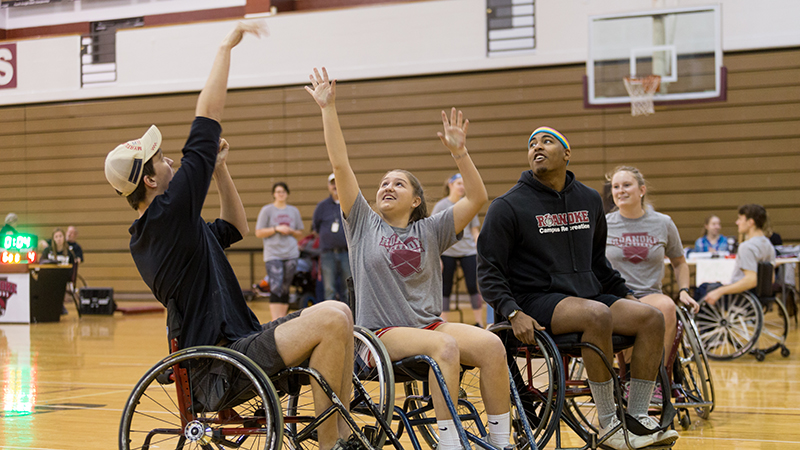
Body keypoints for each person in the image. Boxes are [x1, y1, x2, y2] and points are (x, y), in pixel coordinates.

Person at [103, 24, 355, 450]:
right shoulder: (163, 220)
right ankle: (333, 445)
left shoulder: (170, 228)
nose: (170, 163)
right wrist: (224, 47)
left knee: (337, 310)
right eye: (162, 160)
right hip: (220, 367)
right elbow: (205, 121)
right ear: (149, 179)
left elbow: (234, 227)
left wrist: (220, 169)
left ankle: (343, 435)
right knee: (331, 319)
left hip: (238, 348)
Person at [307, 67, 512, 450]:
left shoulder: (431, 229)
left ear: (416, 200)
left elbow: (477, 198)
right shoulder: (363, 222)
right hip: (378, 335)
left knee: (491, 346)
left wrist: (460, 153)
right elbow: (340, 165)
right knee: (445, 348)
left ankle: (502, 441)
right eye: (384, 182)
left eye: (397, 183)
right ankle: (449, 443)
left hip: (428, 326)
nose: (387, 186)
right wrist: (328, 109)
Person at [477, 127, 678, 449]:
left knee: (651, 317)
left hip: (588, 294)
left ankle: (637, 416)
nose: (537, 147)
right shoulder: (508, 206)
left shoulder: (589, 199)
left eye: (547, 141)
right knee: (596, 315)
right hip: (536, 299)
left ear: (567, 154)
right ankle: (609, 423)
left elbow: (598, 261)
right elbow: (488, 271)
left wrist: (624, 294)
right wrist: (512, 311)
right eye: (531, 144)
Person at [604, 166, 700, 374]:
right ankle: (629, 373)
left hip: (650, 294)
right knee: (628, 315)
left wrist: (683, 290)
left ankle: (658, 376)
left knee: (666, 306)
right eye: (615, 186)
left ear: (642, 190)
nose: (620, 190)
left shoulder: (662, 223)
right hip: (617, 296)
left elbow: (679, 262)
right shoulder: (603, 224)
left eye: (627, 185)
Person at [432, 173, 484, 327]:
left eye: (463, 184)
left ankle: (479, 322)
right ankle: (444, 322)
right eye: (459, 183)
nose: (462, 187)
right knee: (445, 288)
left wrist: (479, 248)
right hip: (448, 252)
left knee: (473, 286)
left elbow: (475, 231)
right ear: (450, 185)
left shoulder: (467, 204)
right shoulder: (441, 206)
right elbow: (433, 232)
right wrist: (436, 256)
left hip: (468, 251)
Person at [701, 204, 776, 306]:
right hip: (758, 295)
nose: (737, 222)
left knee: (703, 289)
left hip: (739, 296)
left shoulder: (747, 247)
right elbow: (771, 279)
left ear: (750, 222)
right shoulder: (768, 245)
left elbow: (751, 279)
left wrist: (720, 291)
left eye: (740, 219)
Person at [255, 182, 304, 319]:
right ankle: (274, 320)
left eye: (283, 191)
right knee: (275, 286)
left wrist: (290, 231)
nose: (280, 194)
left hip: (291, 253)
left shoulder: (293, 211)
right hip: (273, 254)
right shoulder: (267, 210)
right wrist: (276, 229)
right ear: (273, 194)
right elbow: (258, 232)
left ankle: (282, 319)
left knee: (285, 287)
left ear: (287, 193)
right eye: (277, 192)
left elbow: (300, 232)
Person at [312, 173, 351, 302]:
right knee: (329, 289)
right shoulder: (322, 206)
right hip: (327, 254)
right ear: (329, 186)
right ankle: (331, 320)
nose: (335, 186)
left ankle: (349, 320)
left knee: (348, 289)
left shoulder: (349, 203)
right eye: (332, 183)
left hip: (347, 254)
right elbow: (315, 227)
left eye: (337, 182)